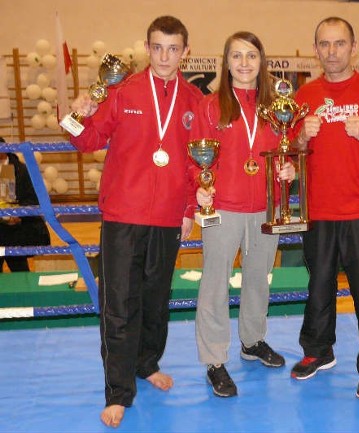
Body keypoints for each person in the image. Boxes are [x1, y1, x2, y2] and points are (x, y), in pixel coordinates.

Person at [69, 16, 202, 428]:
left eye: (173, 48)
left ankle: (147, 364)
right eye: (158, 47)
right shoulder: (121, 90)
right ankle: (118, 391)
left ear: (185, 52)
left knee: (155, 300)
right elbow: (86, 139)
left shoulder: (195, 100)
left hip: (167, 217)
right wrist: (77, 113)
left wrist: (188, 211)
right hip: (123, 215)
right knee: (120, 304)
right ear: (147, 48)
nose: (165, 56)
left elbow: (199, 160)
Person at [289, 17, 359, 400]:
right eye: (324, 44)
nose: (332, 51)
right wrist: (302, 136)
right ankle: (318, 351)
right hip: (318, 211)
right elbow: (291, 158)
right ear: (315, 48)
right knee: (318, 287)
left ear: (355, 47)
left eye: (339, 43)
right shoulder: (303, 97)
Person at [189, 31, 295, 398]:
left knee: (258, 278)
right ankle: (215, 359)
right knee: (215, 284)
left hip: (265, 207)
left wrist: (288, 169)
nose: (245, 63)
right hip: (222, 207)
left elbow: (287, 150)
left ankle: (252, 341)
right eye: (237, 56)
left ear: (261, 61)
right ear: (226, 61)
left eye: (251, 55)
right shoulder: (210, 106)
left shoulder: (276, 105)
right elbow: (195, 158)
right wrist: (198, 186)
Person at [0, 137, 50, 271]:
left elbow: (32, 200)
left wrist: (19, 214)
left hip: (15, 233)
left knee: (20, 272)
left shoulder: (19, 169)